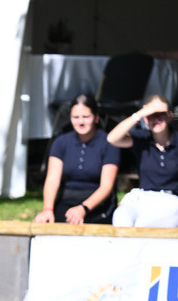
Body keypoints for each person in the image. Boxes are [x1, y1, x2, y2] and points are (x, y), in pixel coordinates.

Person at [34, 94, 120, 225]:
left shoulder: (108, 143)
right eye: (76, 117)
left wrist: (83, 209)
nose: (81, 122)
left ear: (96, 118)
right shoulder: (61, 142)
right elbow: (52, 180)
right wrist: (47, 209)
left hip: (97, 202)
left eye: (86, 117)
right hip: (68, 198)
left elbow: (106, 186)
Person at [107, 95, 178, 228]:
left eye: (161, 114)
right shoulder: (142, 139)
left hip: (171, 201)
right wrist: (139, 114)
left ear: (169, 115)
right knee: (121, 217)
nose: (156, 119)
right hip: (143, 197)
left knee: (143, 224)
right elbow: (112, 139)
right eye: (151, 115)